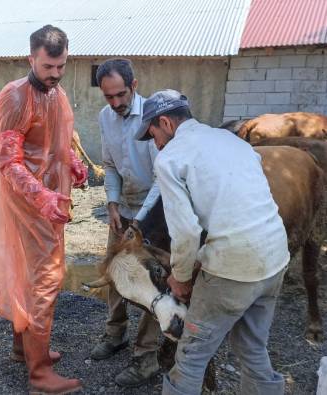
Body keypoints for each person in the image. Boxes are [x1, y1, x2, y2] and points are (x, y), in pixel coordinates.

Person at [134, 90, 290, 395]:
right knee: (252, 349)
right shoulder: (232, 141)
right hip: (275, 258)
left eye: (153, 134)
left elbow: (187, 233)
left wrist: (179, 278)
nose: (156, 144)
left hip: (232, 269)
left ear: (164, 122)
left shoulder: (171, 158)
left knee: (191, 357)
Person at [0, 25, 87, 395]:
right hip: (31, 206)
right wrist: (42, 196)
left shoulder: (56, 94)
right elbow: (9, 163)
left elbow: (59, 141)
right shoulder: (15, 98)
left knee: (26, 276)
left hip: (52, 203)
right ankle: (40, 373)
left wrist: (72, 163)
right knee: (44, 281)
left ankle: (25, 349)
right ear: (31, 58)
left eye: (61, 66)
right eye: (48, 66)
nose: (56, 74)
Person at [89, 58, 162, 388]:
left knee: (153, 283)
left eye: (121, 94)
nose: (116, 103)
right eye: (108, 97)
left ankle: (146, 356)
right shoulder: (106, 117)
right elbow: (110, 165)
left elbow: (163, 180)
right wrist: (113, 204)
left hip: (158, 213)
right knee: (115, 274)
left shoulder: (155, 118)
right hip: (125, 209)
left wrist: (140, 223)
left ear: (134, 86)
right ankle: (115, 333)